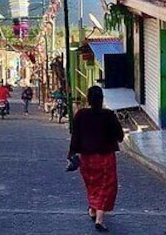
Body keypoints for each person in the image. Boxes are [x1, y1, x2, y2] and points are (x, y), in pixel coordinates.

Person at [68, 86, 124, 232]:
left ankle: (93, 211)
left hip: (87, 159)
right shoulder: (109, 115)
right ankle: (99, 218)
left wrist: (72, 154)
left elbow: (75, 136)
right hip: (106, 159)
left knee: (92, 186)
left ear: (88, 99)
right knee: (106, 187)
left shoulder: (81, 115)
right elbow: (120, 136)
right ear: (102, 99)